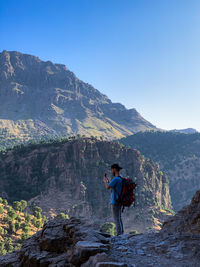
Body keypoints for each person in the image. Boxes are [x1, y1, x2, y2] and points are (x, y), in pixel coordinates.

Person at [103, 163, 124, 236]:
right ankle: (121, 233)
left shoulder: (115, 179)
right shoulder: (120, 178)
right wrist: (108, 182)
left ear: (114, 169)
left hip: (115, 201)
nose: (111, 171)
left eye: (112, 169)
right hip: (120, 200)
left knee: (116, 219)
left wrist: (105, 181)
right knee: (119, 218)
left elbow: (107, 187)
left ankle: (119, 235)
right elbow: (112, 186)